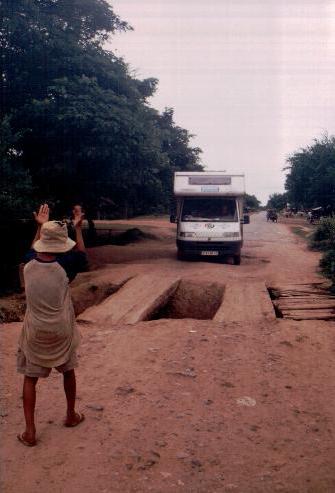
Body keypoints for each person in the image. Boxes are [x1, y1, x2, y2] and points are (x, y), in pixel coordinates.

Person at [17, 203, 87, 447]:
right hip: (61, 332)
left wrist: (39, 228)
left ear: (42, 241)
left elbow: (31, 250)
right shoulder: (66, 267)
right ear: (61, 243)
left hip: (35, 332)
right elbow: (81, 255)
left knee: (29, 379)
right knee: (68, 371)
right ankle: (70, 415)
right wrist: (77, 229)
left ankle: (29, 432)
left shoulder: (27, 265)